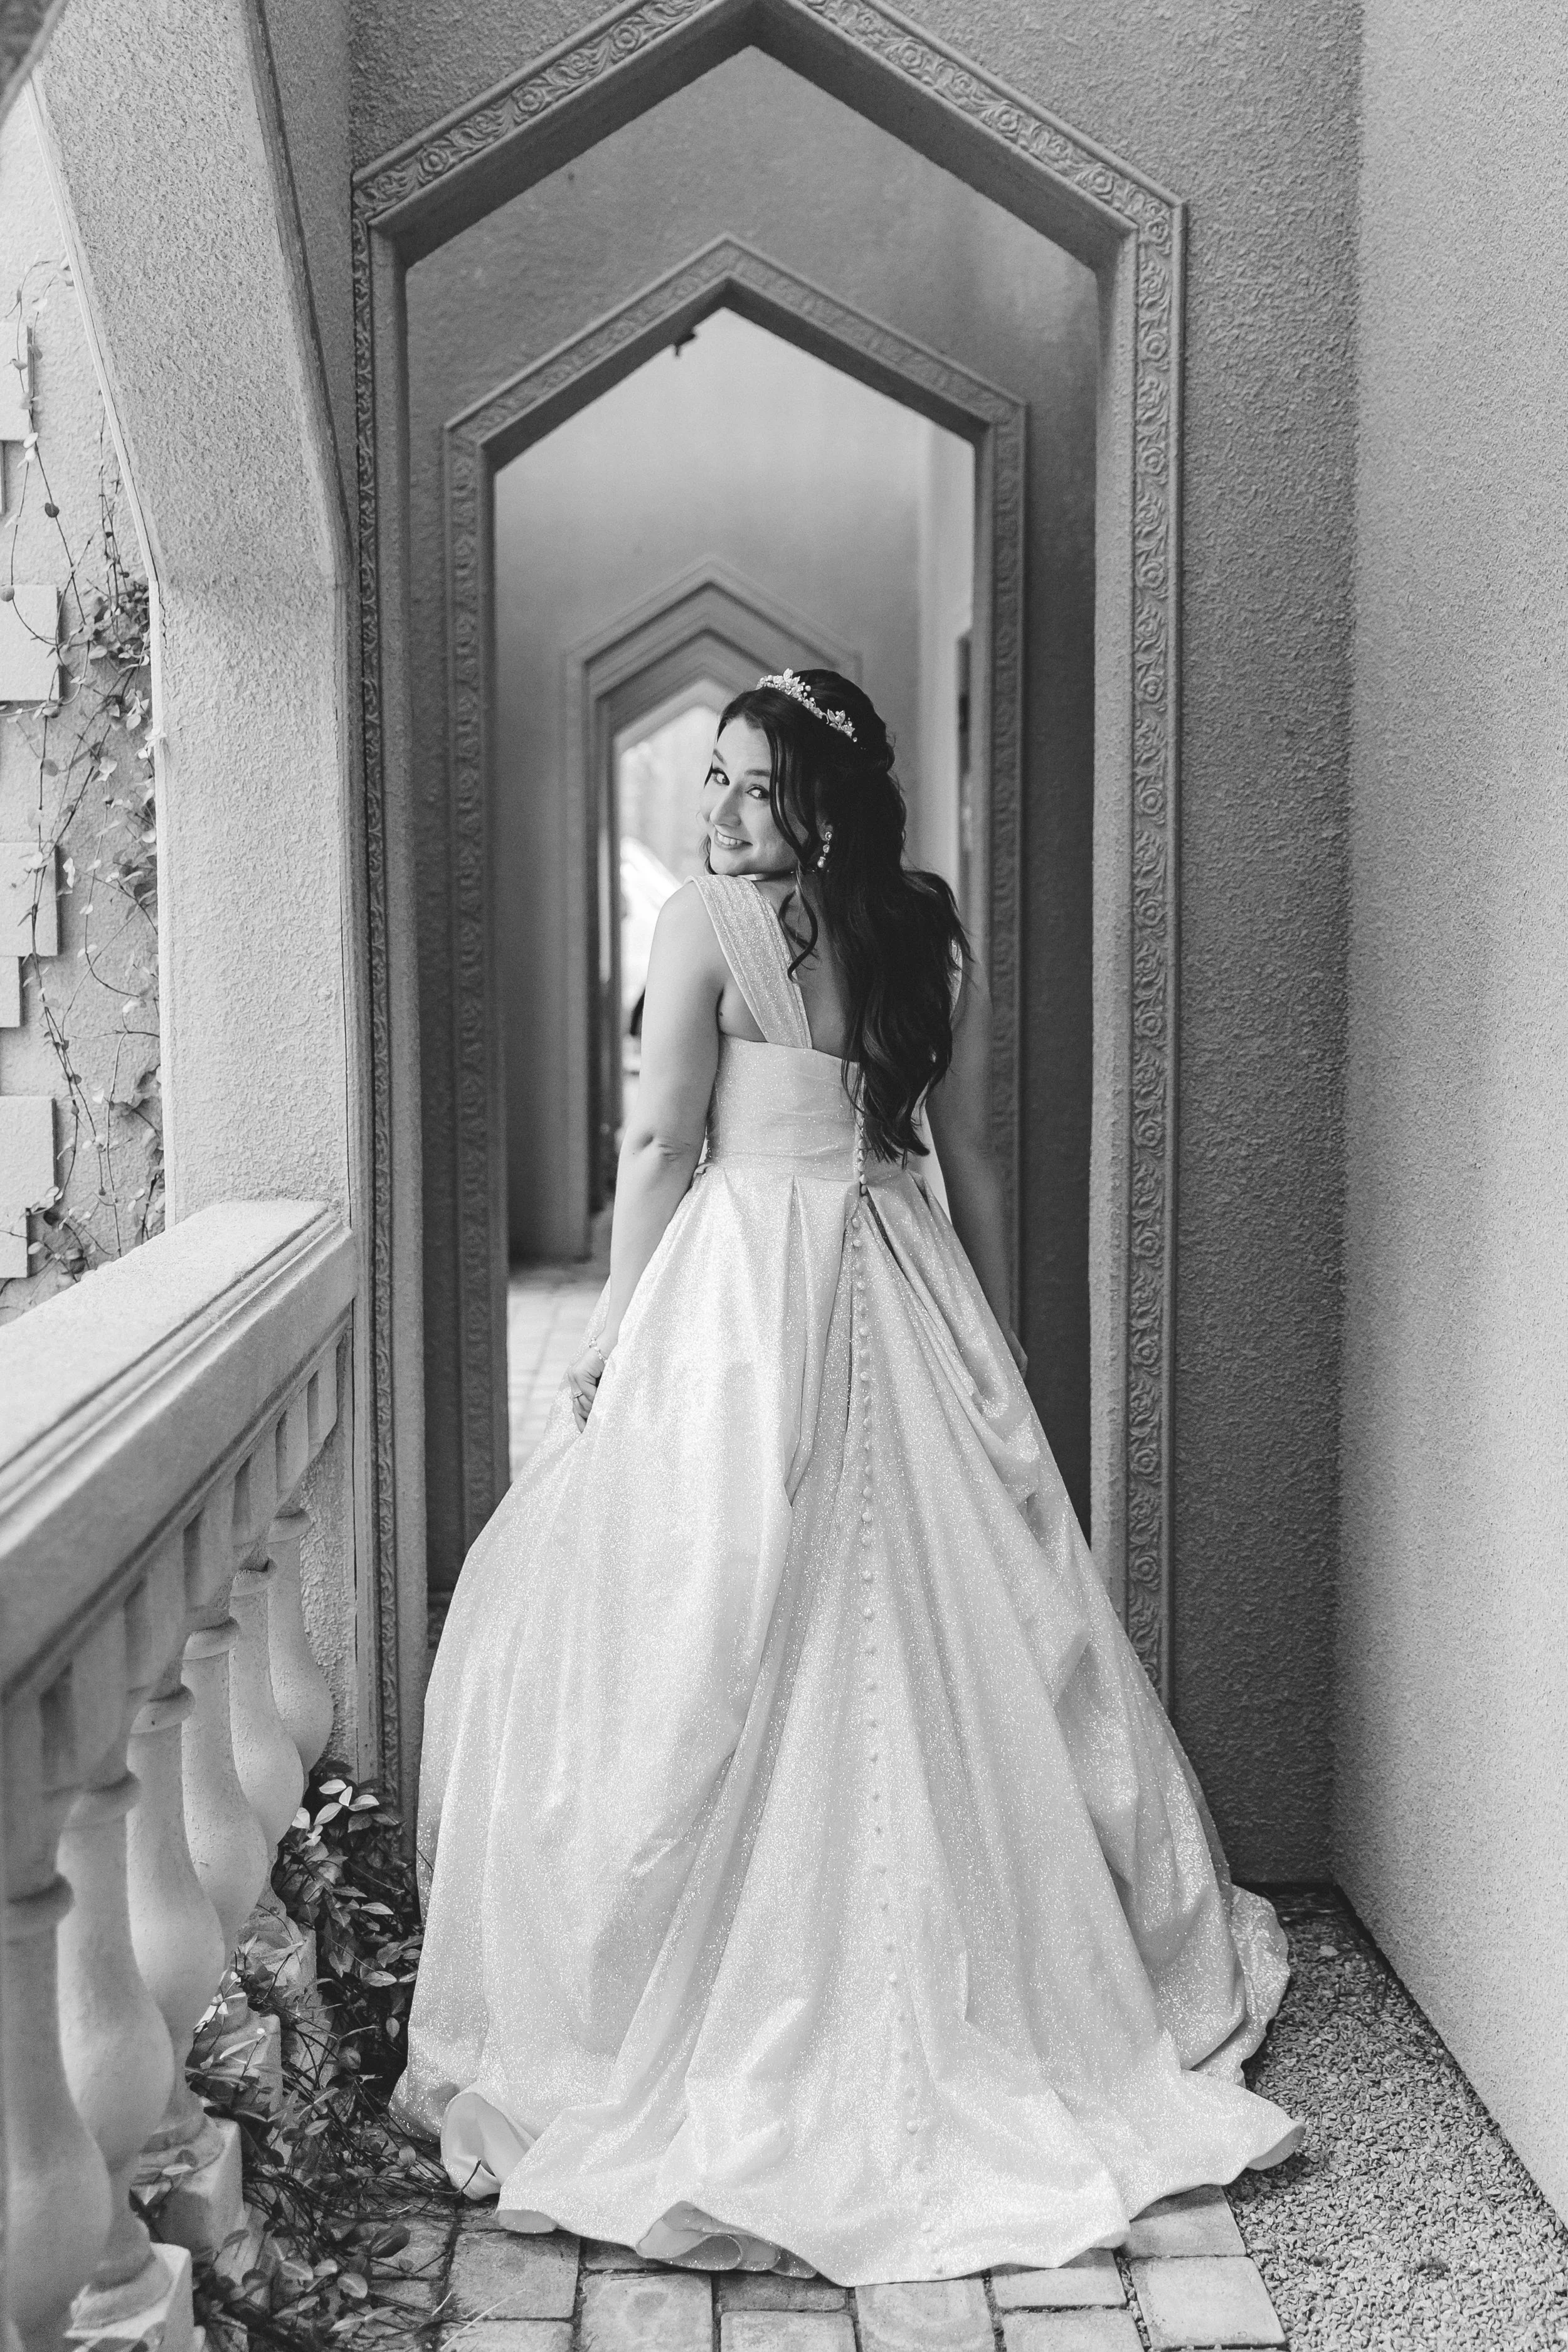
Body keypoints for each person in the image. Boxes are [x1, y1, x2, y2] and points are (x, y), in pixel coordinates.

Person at [391, 668, 1300, 2281]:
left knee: (720, 1614)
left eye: (755, 784)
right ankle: (998, 1987)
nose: (721, 810)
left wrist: (612, 1330)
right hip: (892, 1267)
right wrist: (992, 1336)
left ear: (821, 800)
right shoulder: (916, 925)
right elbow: (961, 1154)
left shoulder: (702, 927)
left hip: (748, 1287)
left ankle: (732, 2014)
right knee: (929, 1626)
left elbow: (659, 1148)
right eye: (715, 780)